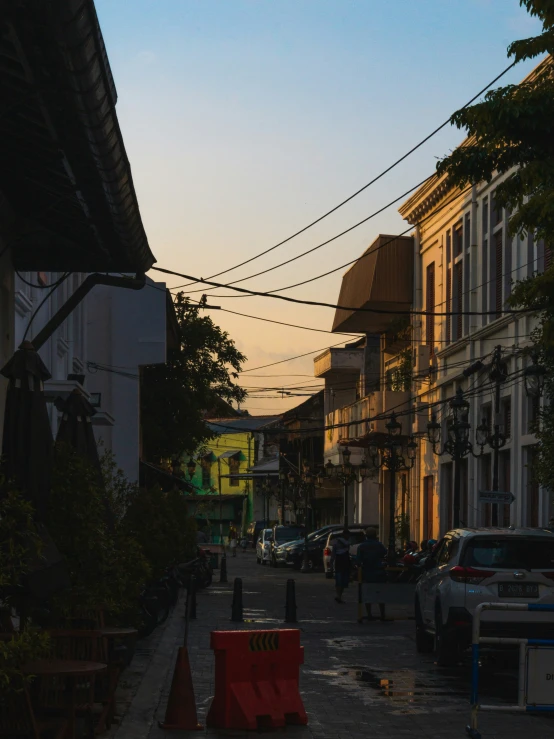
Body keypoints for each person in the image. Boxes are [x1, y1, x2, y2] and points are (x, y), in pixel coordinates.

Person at [356, 527, 388, 621]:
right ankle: (382, 614)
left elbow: (358, 561)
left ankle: (369, 614)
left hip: (367, 572)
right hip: (379, 572)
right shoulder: (379, 545)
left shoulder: (362, 546)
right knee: (380, 594)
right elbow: (385, 554)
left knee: (368, 594)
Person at [331, 528, 351, 603]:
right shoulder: (345, 542)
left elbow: (333, 554)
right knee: (342, 579)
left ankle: (338, 595)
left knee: (340, 579)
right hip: (344, 561)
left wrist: (331, 563)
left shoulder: (337, 542)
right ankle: (339, 595)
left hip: (339, 561)